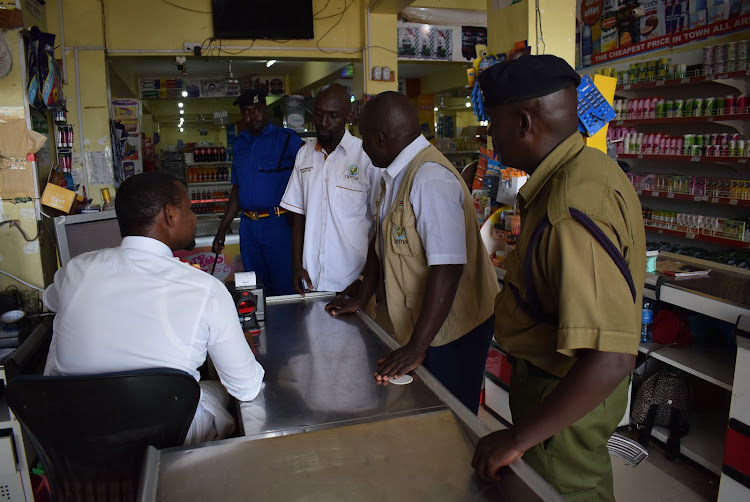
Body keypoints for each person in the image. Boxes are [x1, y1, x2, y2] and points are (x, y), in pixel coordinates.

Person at [471, 55, 645, 502]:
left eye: (494, 122)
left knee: (563, 492)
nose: (491, 136)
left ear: (524, 122)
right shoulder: (592, 168)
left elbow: (611, 357)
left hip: (561, 399)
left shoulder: (568, 208)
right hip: (555, 394)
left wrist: (518, 438)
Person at [43, 172, 265, 445]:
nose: (193, 218)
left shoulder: (75, 270)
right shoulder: (205, 289)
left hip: (79, 435)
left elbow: (50, 301)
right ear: (170, 214)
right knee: (217, 390)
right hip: (166, 437)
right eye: (190, 209)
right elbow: (246, 386)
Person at [325, 92, 499, 414]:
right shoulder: (393, 175)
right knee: (421, 410)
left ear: (380, 138)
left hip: (453, 328)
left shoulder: (430, 179)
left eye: (364, 140)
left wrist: (418, 346)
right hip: (422, 324)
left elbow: (448, 269)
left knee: (451, 417)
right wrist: (363, 296)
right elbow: (381, 242)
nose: (362, 148)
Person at [280, 83, 379, 297]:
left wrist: (366, 279)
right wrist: (296, 266)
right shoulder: (304, 154)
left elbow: (379, 222)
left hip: (353, 281)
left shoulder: (366, 157)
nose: (323, 123)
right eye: (318, 114)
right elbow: (297, 214)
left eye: (333, 116)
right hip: (311, 279)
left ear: (349, 117)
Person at [213, 89, 304, 296]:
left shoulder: (287, 140)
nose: (251, 116)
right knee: (255, 288)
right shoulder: (240, 143)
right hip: (248, 228)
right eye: (246, 112)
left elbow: (308, 178)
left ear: (266, 110)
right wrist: (222, 229)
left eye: (256, 110)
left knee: (284, 286)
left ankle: (289, 328)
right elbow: (237, 189)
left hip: (278, 225)